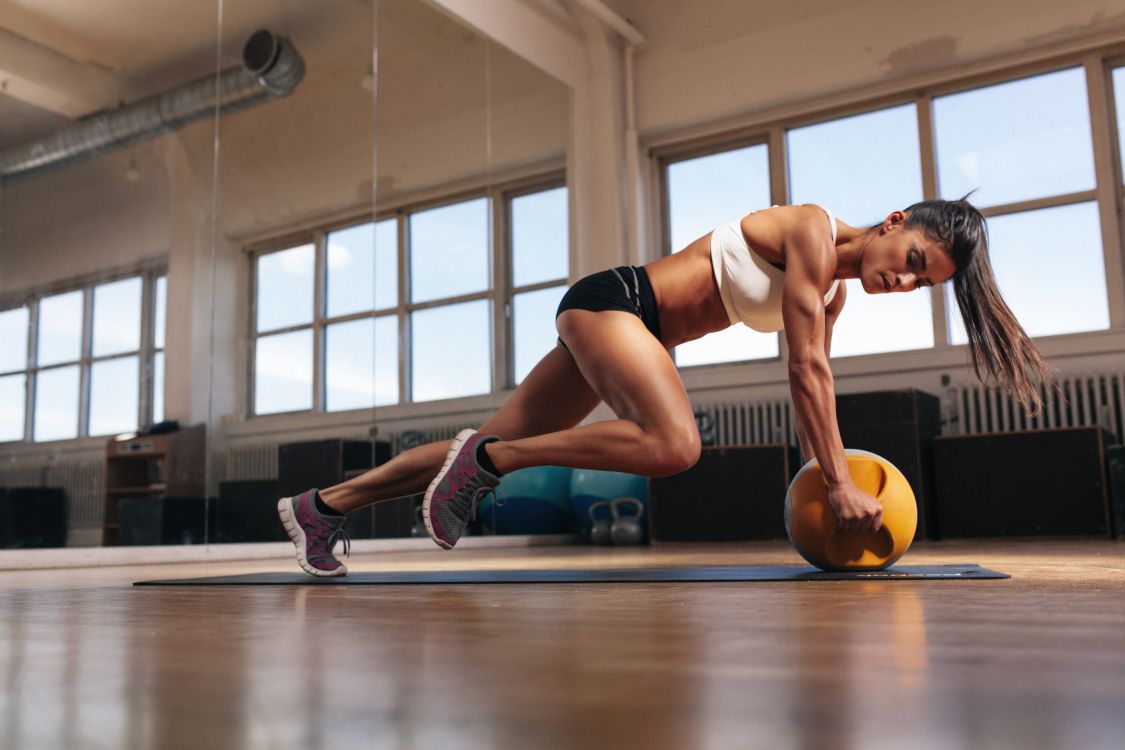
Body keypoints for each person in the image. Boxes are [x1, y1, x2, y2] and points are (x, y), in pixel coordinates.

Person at [277, 198, 1051, 576]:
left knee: (475, 443)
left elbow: (813, 378)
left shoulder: (831, 295)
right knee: (675, 446)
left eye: (922, 286)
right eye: (914, 261)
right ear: (894, 222)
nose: (903, 281)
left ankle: (322, 509)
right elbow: (806, 370)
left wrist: (832, 469)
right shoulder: (813, 233)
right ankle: (494, 468)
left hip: (629, 332)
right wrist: (839, 482)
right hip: (616, 303)